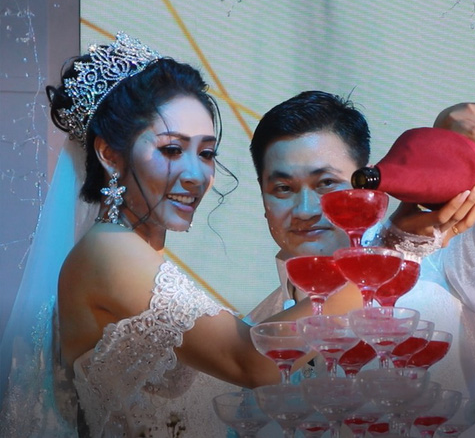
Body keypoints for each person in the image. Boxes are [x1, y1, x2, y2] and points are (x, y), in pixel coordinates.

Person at [0, 34, 363, 438]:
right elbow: (250, 360)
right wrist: (381, 264)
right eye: (172, 150)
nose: (195, 175)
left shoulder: (130, 255)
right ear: (109, 154)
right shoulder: (108, 250)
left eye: (206, 154)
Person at [245, 91, 475, 437]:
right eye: (283, 188)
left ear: (367, 185)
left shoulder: (439, 260)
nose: (305, 209)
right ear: (263, 198)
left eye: (326, 183)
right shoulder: (256, 334)